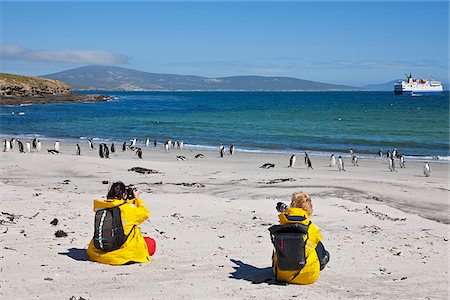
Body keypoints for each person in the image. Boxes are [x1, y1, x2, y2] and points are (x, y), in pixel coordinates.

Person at [87, 181, 156, 265]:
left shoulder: (101, 207)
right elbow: (145, 213)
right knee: (151, 243)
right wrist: (137, 198)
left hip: (96, 253)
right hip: (122, 255)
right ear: (124, 195)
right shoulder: (128, 209)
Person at [273, 192, 329, 284]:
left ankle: (287, 271)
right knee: (321, 248)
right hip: (307, 277)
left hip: (280, 275)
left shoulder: (283, 223)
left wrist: (288, 210)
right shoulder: (312, 228)